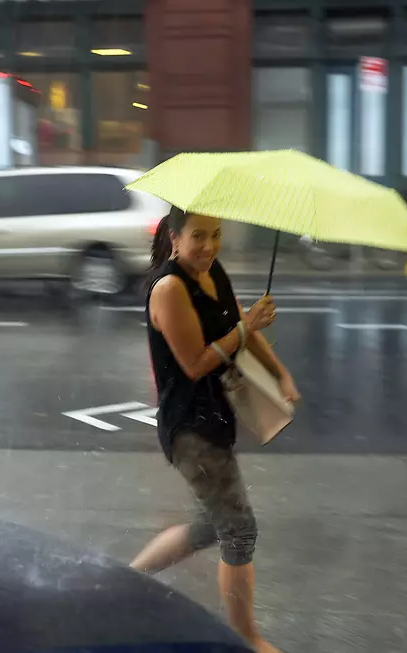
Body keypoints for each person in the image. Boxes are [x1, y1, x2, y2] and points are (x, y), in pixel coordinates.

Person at [130, 206, 300, 653]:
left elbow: (236, 324)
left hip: (214, 417)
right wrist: (247, 326)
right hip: (189, 428)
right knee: (239, 531)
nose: (209, 246)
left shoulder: (212, 271)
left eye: (216, 235)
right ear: (174, 238)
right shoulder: (168, 289)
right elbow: (196, 363)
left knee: (211, 526)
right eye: (199, 237)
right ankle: (246, 638)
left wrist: (279, 372)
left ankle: (126, 580)